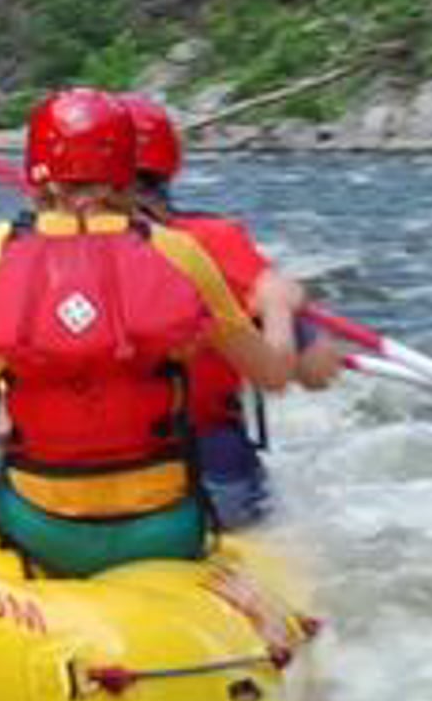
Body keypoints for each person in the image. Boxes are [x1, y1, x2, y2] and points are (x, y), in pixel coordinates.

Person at [0, 88, 285, 578]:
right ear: (127, 167)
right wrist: (276, 307)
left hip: (42, 527)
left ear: (37, 171)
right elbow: (270, 374)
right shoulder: (177, 253)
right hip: (163, 529)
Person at [123, 95, 344, 529]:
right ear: (168, 165)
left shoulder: (31, 248)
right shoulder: (213, 243)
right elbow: (317, 371)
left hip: (61, 480)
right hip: (208, 476)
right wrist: (278, 308)